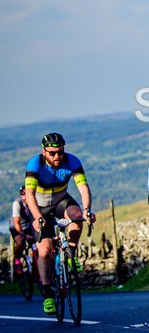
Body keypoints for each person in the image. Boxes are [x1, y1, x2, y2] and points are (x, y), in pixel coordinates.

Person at [23, 133, 94, 315]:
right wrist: (37, 217)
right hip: (40, 207)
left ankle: (70, 253)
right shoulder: (35, 164)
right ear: (44, 151)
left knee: (77, 215)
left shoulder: (72, 161)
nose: (57, 157)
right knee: (45, 250)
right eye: (52, 153)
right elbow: (29, 195)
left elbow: (84, 189)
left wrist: (87, 209)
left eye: (60, 152)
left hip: (61, 201)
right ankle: (48, 295)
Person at [9, 186, 35, 275]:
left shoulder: (33, 202)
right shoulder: (17, 204)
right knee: (20, 243)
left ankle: (35, 267)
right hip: (16, 227)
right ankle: (17, 260)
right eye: (22, 194)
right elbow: (16, 222)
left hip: (27, 226)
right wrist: (23, 235)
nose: (24, 196)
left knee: (36, 244)